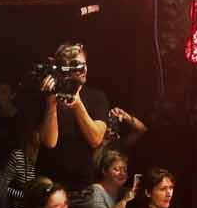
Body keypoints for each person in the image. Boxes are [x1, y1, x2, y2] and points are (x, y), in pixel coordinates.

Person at [40, 44, 146, 193]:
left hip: (80, 188)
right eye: (78, 65)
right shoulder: (47, 95)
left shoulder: (97, 97)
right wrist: (51, 102)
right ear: (64, 68)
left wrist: (78, 105)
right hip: (50, 184)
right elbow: (49, 142)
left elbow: (95, 138)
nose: (85, 70)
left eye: (85, 65)